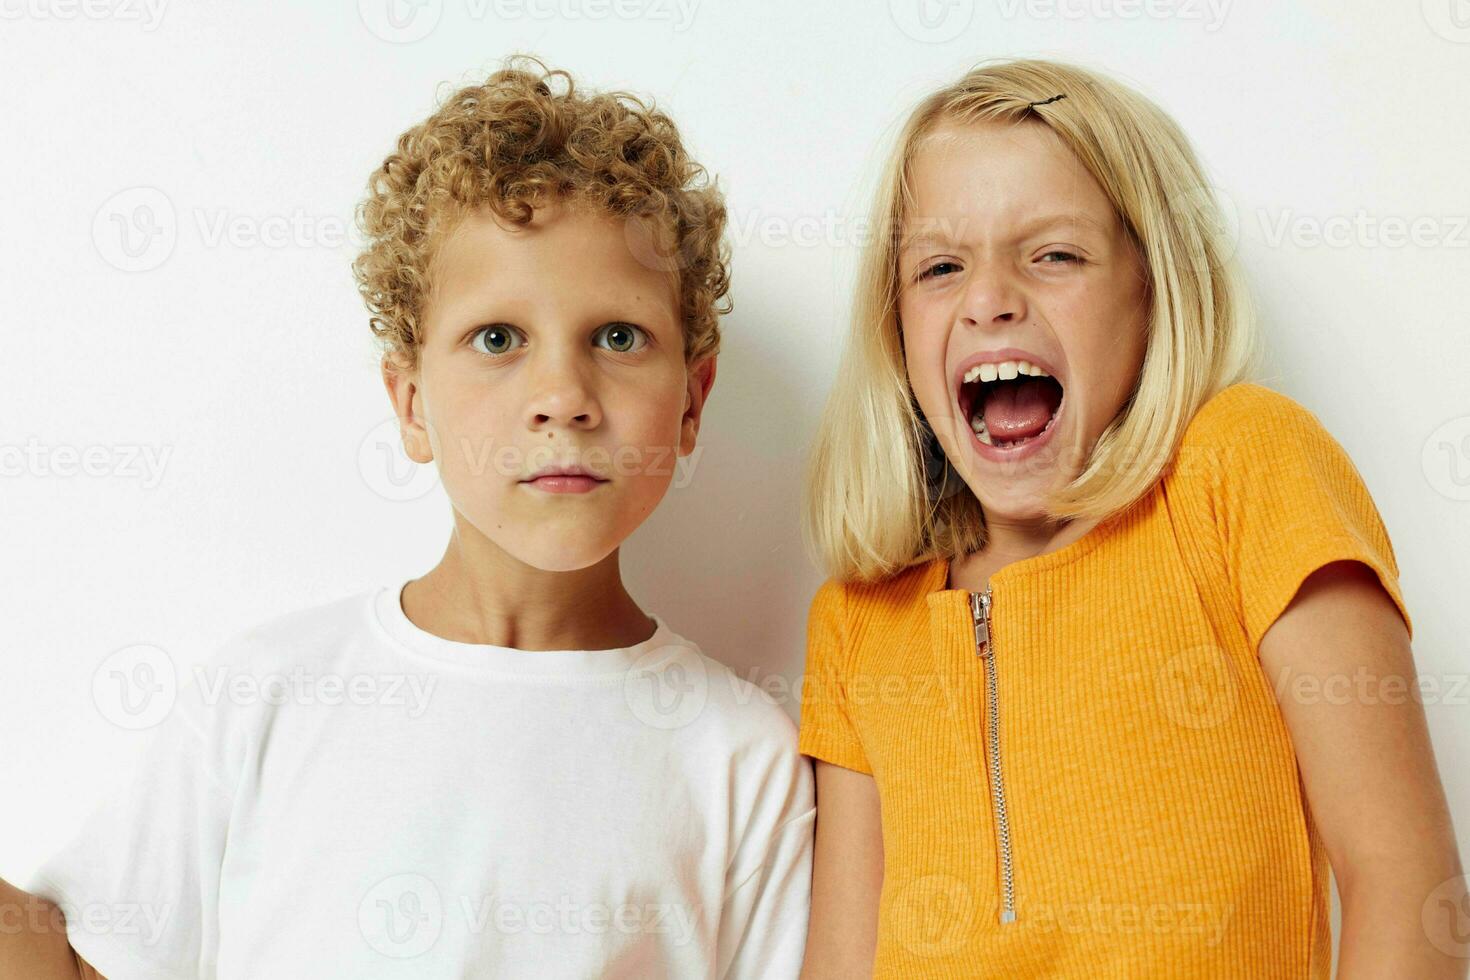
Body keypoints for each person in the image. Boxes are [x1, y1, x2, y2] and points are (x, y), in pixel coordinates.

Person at [5, 55, 813, 979]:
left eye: (618, 337)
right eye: (498, 339)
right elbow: (90, 964)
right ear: (412, 404)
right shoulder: (267, 696)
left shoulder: (740, 758)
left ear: (692, 401)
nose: (563, 397)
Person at [796, 57, 1463, 978]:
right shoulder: (858, 621)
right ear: (896, 329)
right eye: (940, 267)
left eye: (1055, 254)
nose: (989, 299)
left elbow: (1408, 889)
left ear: (1154, 288)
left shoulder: (1243, 468)